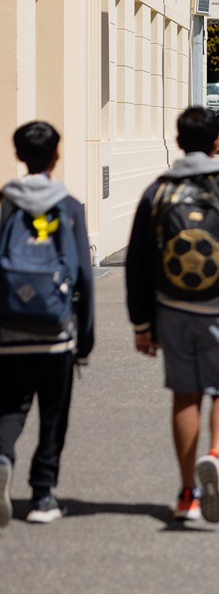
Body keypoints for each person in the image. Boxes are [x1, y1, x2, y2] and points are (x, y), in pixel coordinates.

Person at [125, 107, 219, 523]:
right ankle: (217, 458)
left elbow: (138, 261)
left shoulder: (157, 191)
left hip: (170, 309)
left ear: (178, 142)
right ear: (216, 142)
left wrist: (142, 323)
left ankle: (187, 493)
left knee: (185, 394)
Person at [0, 121, 94, 526]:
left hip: (8, 328)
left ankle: (2, 458)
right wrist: (84, 340)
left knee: (9, 408)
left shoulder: (3, 205)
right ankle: (42, 497)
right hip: (57, 332)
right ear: (56, 156)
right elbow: (85, 279)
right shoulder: (69, 207)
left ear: (19, 156)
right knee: (54, 413)